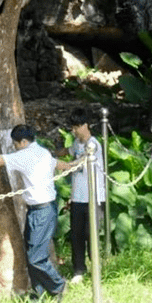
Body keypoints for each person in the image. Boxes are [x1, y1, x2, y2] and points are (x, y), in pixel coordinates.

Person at [0, 124, 66, 300]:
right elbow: (58, 164)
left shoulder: (25, 155)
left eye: (15, 144)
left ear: (24, 142)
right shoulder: (44, 152)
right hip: (37, 210)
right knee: (30, 253)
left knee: (36, 257)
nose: (15, 147)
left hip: (42, 211)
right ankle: (38, 294)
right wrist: (74, 164)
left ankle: (58, 285)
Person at [65, 107, 106, 283]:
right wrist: (52, 152)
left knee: (92, 235)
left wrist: (54, 164)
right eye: (72, 128)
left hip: (94, 198)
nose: (73, 131)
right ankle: (79, 269)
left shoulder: (94, 145)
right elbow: (68, 151)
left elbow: (77, 163)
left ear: (85, 125)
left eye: (76, 127)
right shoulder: (77, 144)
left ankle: (96, 267)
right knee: (76, 235)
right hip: (77, 197)